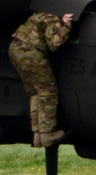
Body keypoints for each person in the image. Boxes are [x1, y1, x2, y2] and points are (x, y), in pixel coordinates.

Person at [8, 10, 75, 148]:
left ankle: (37, 134)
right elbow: (54, 43)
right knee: (48, 91)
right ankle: (47, 134)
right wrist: (66, 26)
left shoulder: (39, 14)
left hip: (15, 49)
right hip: (30, 52)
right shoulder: (51, 18)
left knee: (35, 92)